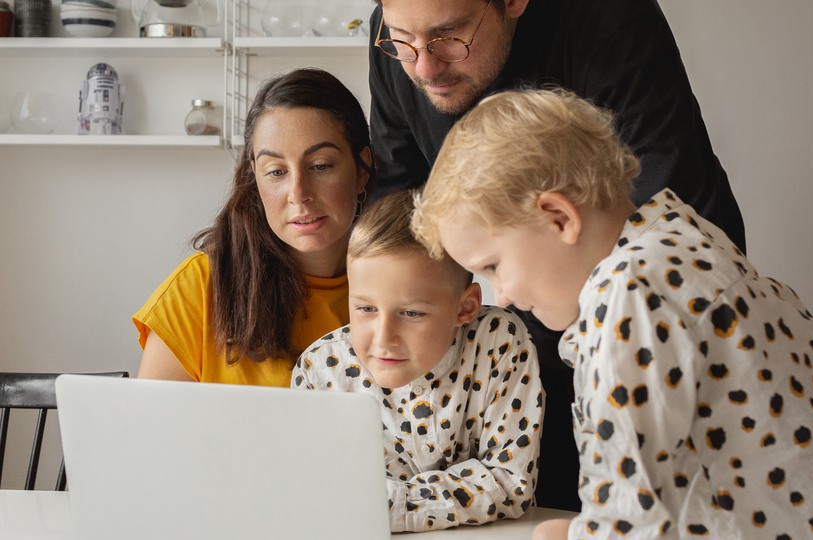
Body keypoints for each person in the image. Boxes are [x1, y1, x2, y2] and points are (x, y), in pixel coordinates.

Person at [411, 88, 813, 539]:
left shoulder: (629, 295)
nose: (502, 295)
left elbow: (630, 514)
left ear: (558, 217)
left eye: (494, 266)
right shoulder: (682, 243)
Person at [368, 0, 744, 509]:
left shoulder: (647, 297)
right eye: (403, 41)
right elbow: (397, 209)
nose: (424, 66)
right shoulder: (404, 37)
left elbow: (647, 510)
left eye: (449, 36)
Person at [292, 189, 543, 533]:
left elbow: (510, 483)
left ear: (465, 307)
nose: (383, 338)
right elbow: (315, 495)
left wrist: (384, 506)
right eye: (366, 308)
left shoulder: (498, 341)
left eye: (411, 313)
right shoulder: (318, 371)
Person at [134, 68, 373, 386]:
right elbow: (148, 430)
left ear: (361, 170)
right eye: (276, 171)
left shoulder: (404, 284)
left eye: (320, 166)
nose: (298, 194)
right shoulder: (200, 288)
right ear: (254, 177)